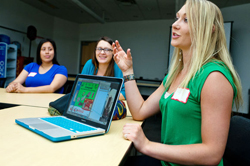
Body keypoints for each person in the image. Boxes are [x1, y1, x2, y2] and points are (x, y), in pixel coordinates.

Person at [112, 0, 243, 165]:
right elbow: (139, 111)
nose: (175, 24)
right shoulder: (175, 75)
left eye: (186, 20)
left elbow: (212, 154)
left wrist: (147, 145)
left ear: (209, 29)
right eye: (177, 18)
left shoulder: (214, 77)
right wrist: (127, 72)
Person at [81, 36, 125, 100]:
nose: (102, 52)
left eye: (107, 50)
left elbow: (125, 93)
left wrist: (103, 99)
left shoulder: (118, 67)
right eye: (99, 49)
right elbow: (79, 87)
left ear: (113, 52)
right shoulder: (89, 64)